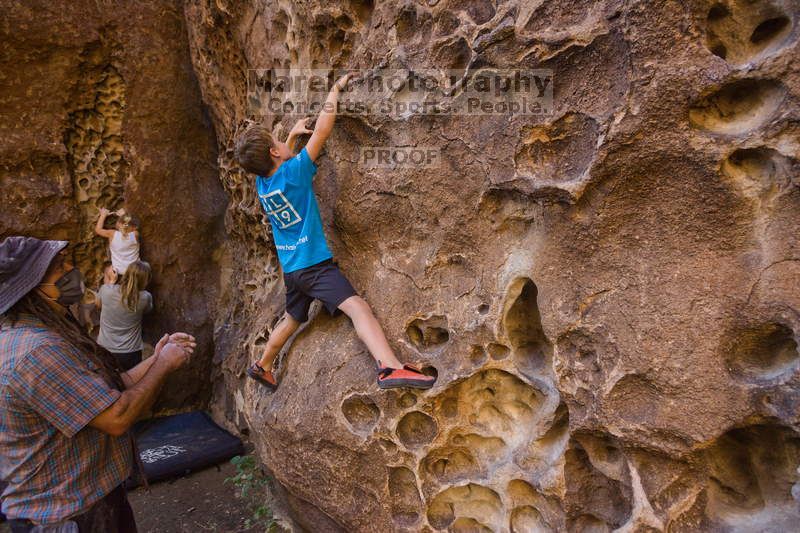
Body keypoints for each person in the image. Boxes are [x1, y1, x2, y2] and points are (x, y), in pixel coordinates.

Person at [234, 72, 436, 391]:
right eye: (276, 142)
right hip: (314, 267)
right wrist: (334, 90)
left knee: (292, 318)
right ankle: (390, 367)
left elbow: (277, 162)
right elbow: (324, 130)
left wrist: (289, 138)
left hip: (292, 269)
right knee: (358, 307)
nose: (281, 143)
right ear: (274, 154)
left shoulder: (263, 185)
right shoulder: (296, 172)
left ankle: (263, 365)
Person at [0, 236, 195, 532]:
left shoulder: (34, 334)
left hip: (85, 503)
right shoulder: (37, 352)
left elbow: (107, 390)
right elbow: (116, 416)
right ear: (32, 288)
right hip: (69, 516)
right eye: (59, 267)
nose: (71, 269)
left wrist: (156, 358)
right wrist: (165, 364)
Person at [96, 260, 154, 371]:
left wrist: (111, 282)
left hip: (105, 348)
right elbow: (148, 310)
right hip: (130, 352)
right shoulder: (146, 297)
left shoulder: (106, 290)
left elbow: (98, 304)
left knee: (108, 384)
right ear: (146, 280)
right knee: (131, 384)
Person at [95, 208, 140, 276]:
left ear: (118, 224)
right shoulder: (135, 234)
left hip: (118, 270)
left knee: (107, 270)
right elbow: (128, 225)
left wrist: (103, 215)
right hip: (134, 269)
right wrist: (123, 215)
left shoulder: (112, 234)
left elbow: (98, 230)